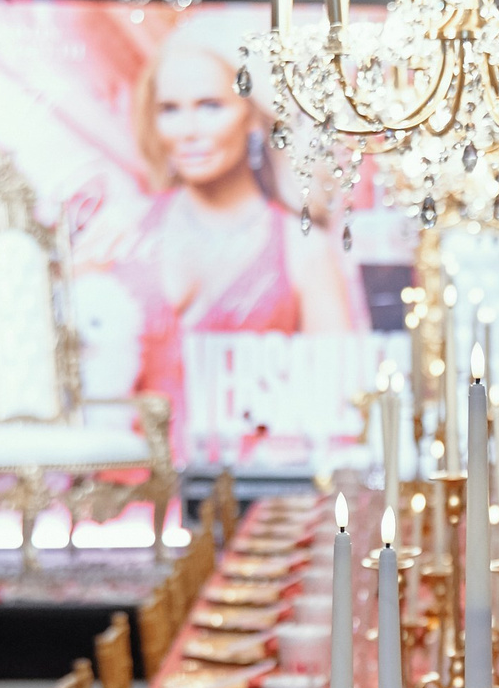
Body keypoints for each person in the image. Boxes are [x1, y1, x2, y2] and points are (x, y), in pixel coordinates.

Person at [127, 26, 349, 422]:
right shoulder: (123, 229)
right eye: (170, 110)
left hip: (256, 459)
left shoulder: (302, 247)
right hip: (131, 462)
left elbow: (337, 397)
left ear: (251, 115)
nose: (188, 131)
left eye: (210, 106)